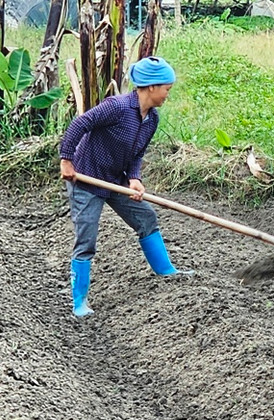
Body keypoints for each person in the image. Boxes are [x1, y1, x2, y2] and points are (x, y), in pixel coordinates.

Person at [59, 56, 189, 318]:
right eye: (167, 89)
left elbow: (137, 153)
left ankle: (166, 271)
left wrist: (134, 178)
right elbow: (81, 123)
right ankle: (79, 302)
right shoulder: (116, 107)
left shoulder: (151, 119)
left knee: (146, 217)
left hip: (115, 180)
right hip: (86, 179)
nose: (168, 94)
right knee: (87, 239)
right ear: (151, 87)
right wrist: (66, 159)